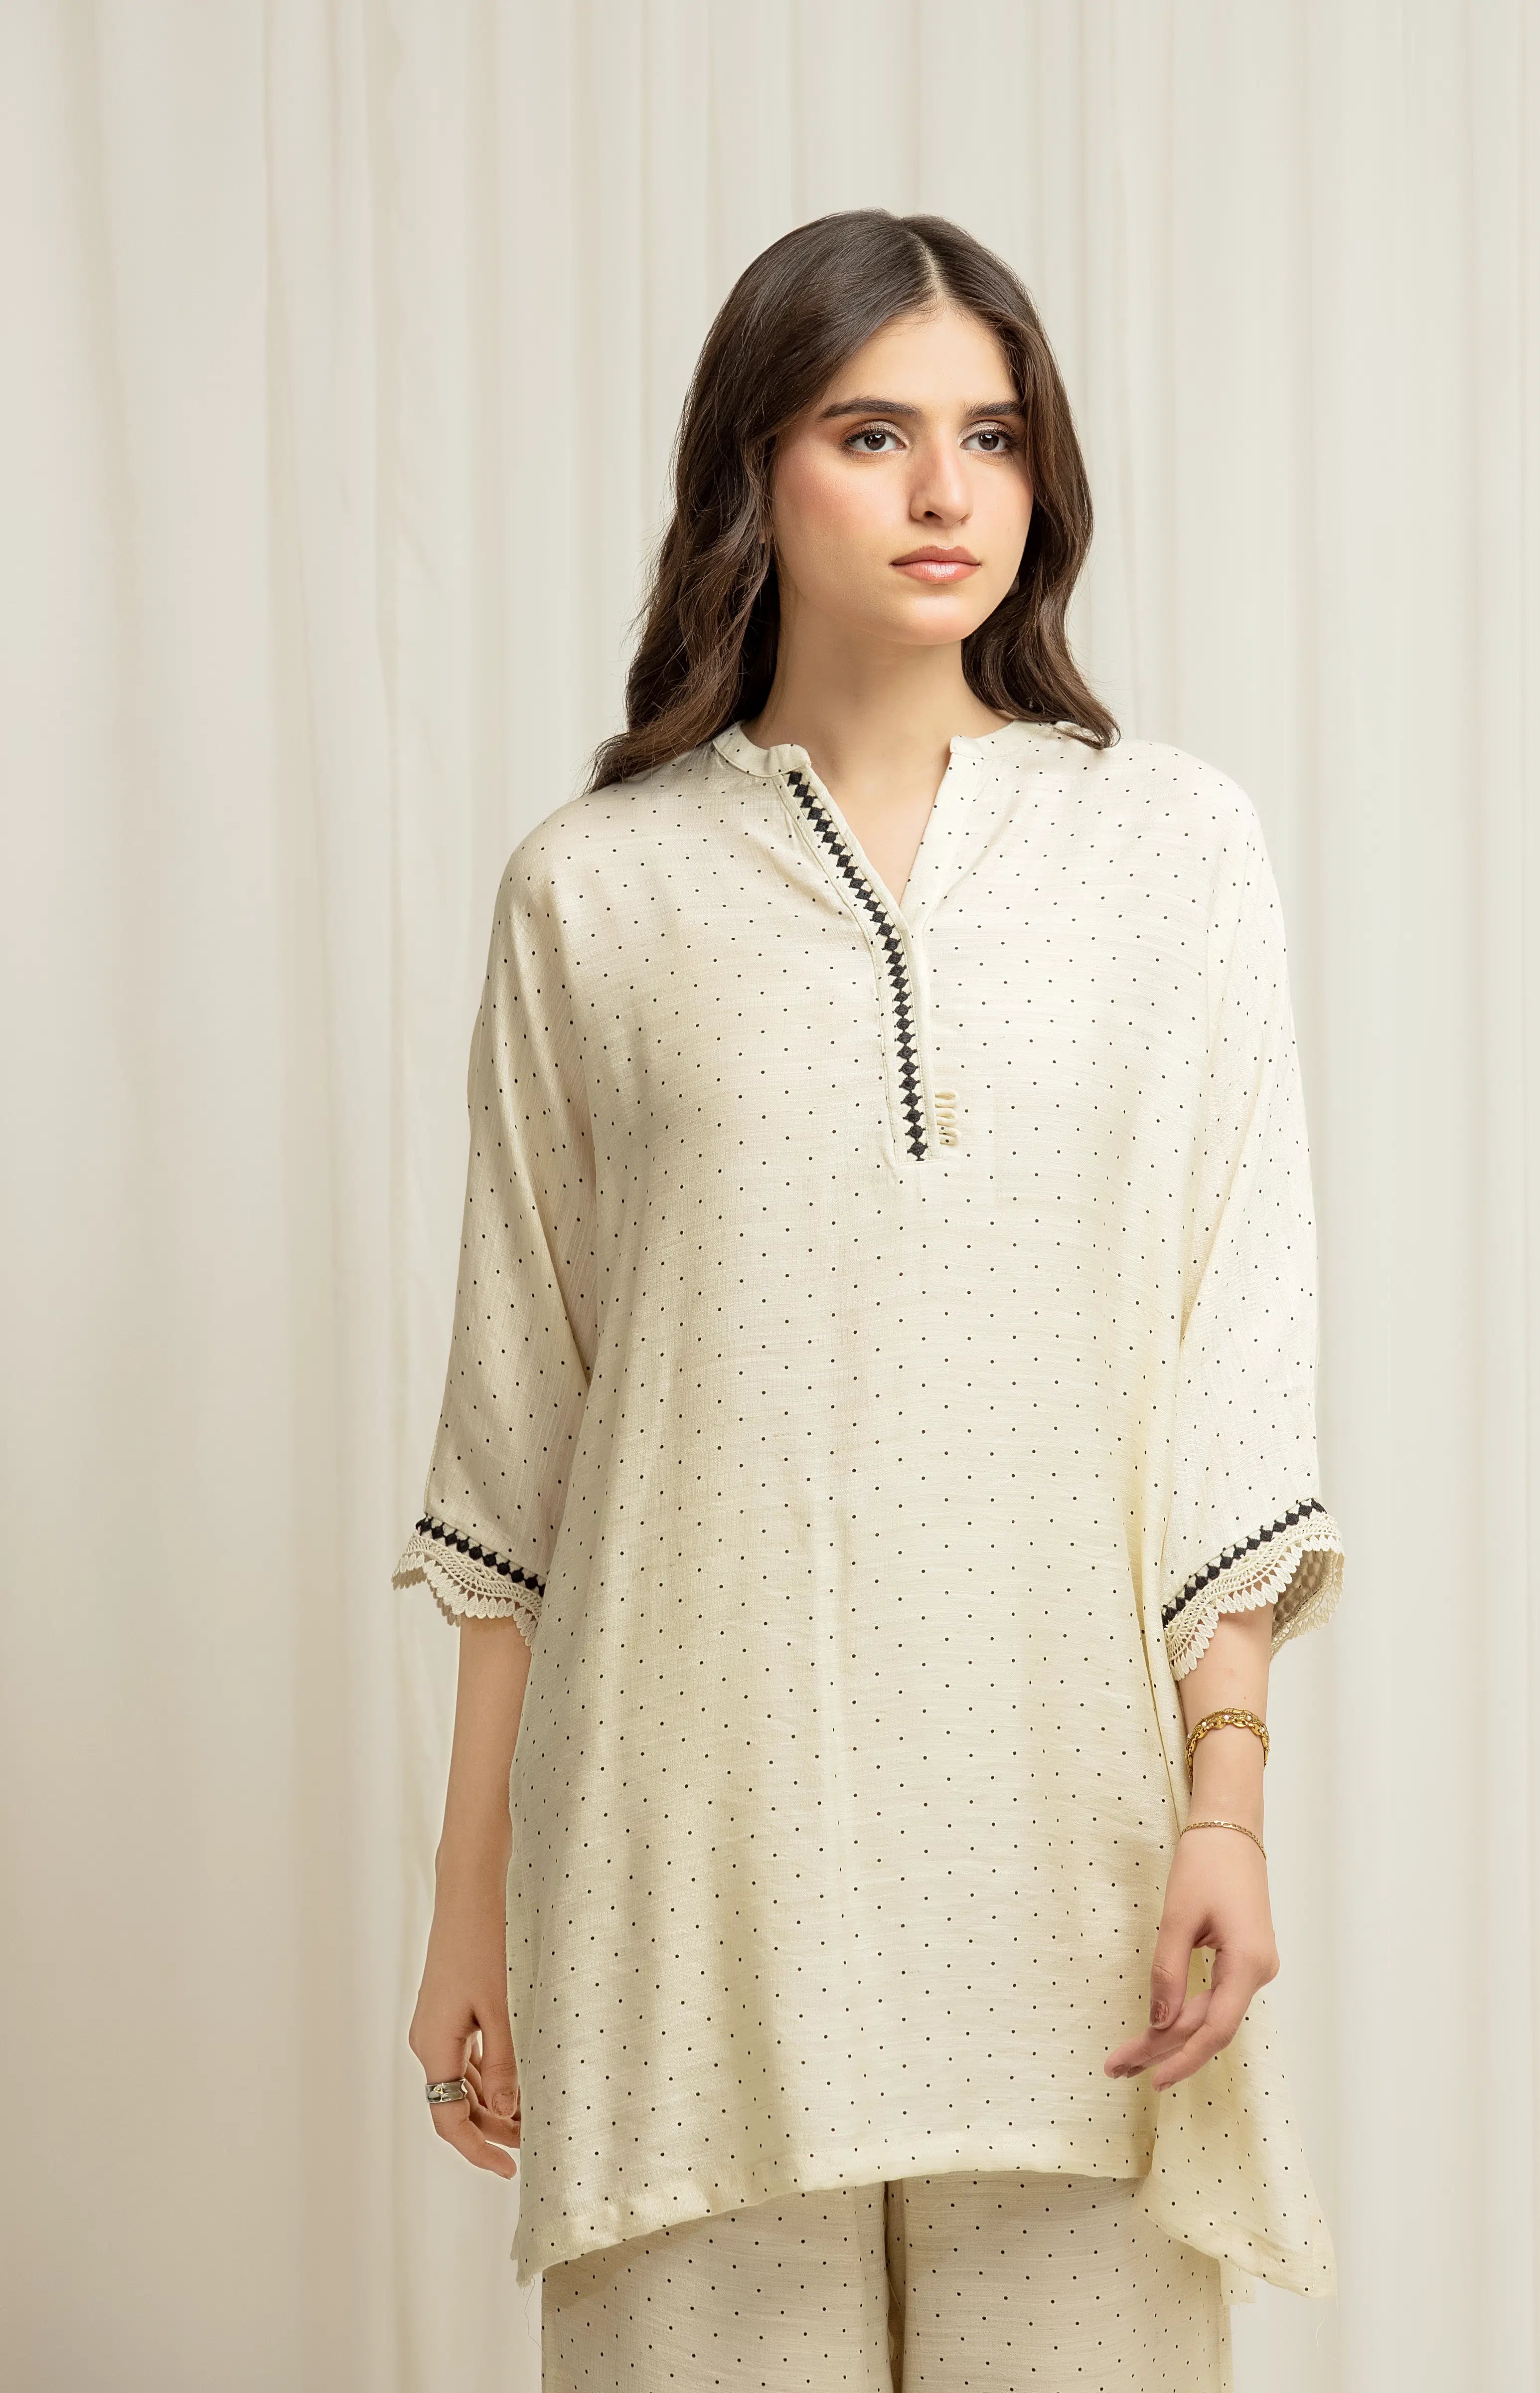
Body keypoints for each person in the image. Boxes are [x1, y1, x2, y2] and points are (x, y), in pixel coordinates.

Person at [396, 208, 1345, 2392]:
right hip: (687, 1861)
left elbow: (1238, 1346)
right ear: (754, 466)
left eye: (992, 436)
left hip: (1073, 1864)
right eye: (872, 432)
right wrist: (468, 1900)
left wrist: (1226, 1795)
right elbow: (520, 1436)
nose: (946, 493)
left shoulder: (1171, 854)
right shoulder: (596, 890)